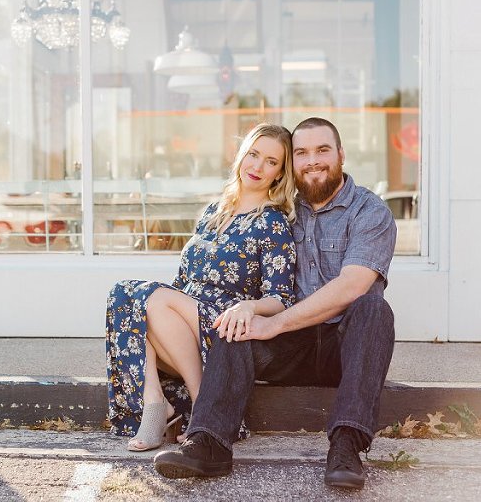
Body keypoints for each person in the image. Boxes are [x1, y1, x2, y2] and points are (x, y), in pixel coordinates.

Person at [154, 117, 397, 491]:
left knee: (374, 308)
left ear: (341, 155)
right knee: (237, 319)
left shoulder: (370, 211)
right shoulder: (282, 211)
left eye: (322, 150)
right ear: (292, 164)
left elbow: (353, 285)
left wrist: (276, 323)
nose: (312, 161)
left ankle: (346, 446)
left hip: (345, 346)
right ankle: (208, 444)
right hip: (291, 347)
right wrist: (250, 309)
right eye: (301, 153)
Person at [106, 123, 298, 452]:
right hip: (182, 324)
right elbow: (182, 282)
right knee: (123, 295)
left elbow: (281, 299)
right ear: (241, 156)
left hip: (222, 331)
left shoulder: (272, 221)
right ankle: (155, 403)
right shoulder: (212, 211)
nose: (257, 166)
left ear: (280, 174)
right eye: (253, 155)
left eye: (270, 161)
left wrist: (249, 307)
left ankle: (203, 406)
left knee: (147, 297)